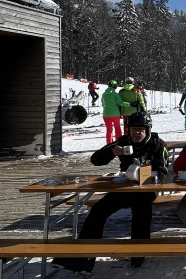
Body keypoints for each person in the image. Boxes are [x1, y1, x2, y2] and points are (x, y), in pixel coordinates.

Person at [52, 112, 167, 272]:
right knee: (98, 210)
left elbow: (163, 171)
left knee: (141, 211)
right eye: (134, 129)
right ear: (129, 130)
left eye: (141, 129)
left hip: (147, 189)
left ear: (148, 129)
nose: (137, 132)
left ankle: (138, 254)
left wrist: (146, 174)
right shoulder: (124, 142)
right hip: (124, 187)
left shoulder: (157, 144)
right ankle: (83, 258)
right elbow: (95, 160)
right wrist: (112, 151)